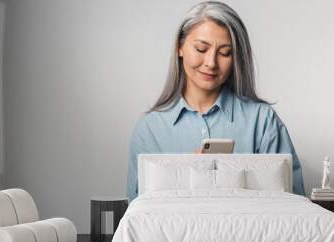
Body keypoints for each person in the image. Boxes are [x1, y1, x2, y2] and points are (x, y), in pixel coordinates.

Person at [127, 1, 305, 202]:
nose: (211, 63)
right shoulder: (150, 129)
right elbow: (139, 213)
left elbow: (294, 204)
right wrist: (186, 175)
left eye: (224, 53)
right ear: (180, 47)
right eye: (201, 49)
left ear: (236, 57)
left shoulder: (262, 121)